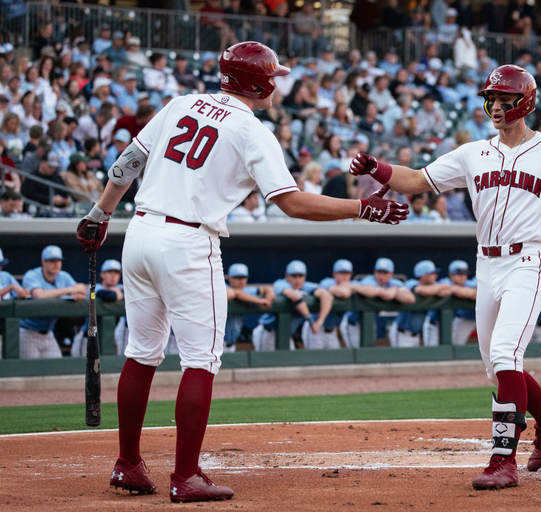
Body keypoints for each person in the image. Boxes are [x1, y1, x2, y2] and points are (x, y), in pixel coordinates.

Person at [75, 42, 408, 503]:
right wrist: (361, 208)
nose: (278, 83)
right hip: (189, 242)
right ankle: (186, 476)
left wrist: (98, 214)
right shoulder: (252, 130)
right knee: (201, 360)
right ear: (261, 82)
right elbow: (291, 203)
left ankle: (128, 464)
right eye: (274, 76)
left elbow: (127, 164)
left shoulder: (180, 103)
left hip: (140, 231)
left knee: (142, 352)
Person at [348, 64, 541, 490]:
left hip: (528, 259)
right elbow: (418, 179)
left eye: (504, 99)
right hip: (486, 263)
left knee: (506, 353)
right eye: (491, 99)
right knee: (495, 367)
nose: (495, 106)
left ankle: (502, 459)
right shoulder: (474, 152)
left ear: (524, 102)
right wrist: (377, 168)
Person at [20, 246, 87, 359]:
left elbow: (82, 288)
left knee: (56, 368)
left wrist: (77, 293)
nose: (56, 264)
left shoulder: (63, 276)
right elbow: (39, 295)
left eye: (58, 260)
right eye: (51, 261)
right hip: (29, 332)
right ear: (43, 262)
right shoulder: (32, 275)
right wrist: (69, 290)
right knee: (32, 372)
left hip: (49, 333)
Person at [252, 260, 332, 351]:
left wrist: (319, 321)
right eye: (294, 276)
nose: (297, 280)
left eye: (300, 276)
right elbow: (293, 296)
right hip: (268, 331)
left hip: (286, 334)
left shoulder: (306, 286)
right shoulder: (280, 283)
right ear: (286, 276)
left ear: (305, 277)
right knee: (266, 363)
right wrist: (310, 320)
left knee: (288, 362)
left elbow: (326, 295)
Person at [339, 258, 412, 348]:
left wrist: (394, 289)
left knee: (368, 350)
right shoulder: (369, 280)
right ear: (374, 272)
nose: (381, 276)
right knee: (357, 353)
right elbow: (384, 294)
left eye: (385, 273)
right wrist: (389, 291)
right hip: (353, 323)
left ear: (391, 274)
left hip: (369, 323)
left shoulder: (393, 283)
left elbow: (410, 298)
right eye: (379, 272)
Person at [71, 259, 127, 357]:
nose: (113, 276)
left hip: (109, 338)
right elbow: (107, 295)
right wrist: (119, 295)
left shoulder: (121, 288)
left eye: (117, 273)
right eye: (109, 272)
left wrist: (118, 293)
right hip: (87, 338)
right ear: (102, 275)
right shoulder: (96, 288)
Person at [388, 260, 448, 347]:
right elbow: (423, 291)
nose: (435, 276)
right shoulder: (411, 283)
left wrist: (437, 288)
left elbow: (446, 292)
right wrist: (442, 286)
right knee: (402, 359)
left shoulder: (433, 286)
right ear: (423, 275)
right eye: (432, 273)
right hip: (402, 332)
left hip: (417, 335)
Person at [307, 259, 362, 350]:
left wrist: (352, 286)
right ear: (334, 274)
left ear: (351, 274)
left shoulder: (352, 284)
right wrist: (351, 287)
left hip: (332, 331)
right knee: (314, 361)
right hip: (315, 328)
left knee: (335, 360)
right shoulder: (327, 282)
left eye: (347, 273)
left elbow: (372, 290)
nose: (344, 276)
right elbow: (343, 293)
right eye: (341, 273)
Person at [423, 260, 478, 346]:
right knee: (432, 352)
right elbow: (444, 290)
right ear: (451, 275)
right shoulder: (444, 282)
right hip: (434, 324)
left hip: (449, 325)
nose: (463, 277)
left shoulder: (466, 284)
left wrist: (455, 289)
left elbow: (475, 293)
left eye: (465, 274)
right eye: (459, 274)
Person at [224, 263, 273, 353]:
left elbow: (267, 288)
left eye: (243, 278)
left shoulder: (246, 291)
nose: (241, 281)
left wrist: (268, 297)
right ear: (230, 278)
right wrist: (259, 301)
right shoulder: (224, 288)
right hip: (216, 343)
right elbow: (234, 293)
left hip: (231, 343)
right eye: (237, 278)